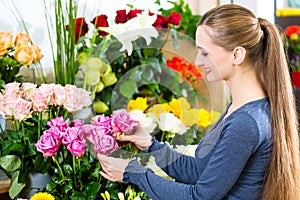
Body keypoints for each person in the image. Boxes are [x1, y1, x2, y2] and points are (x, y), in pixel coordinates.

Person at [97, 4, 300, 200]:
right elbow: (199, 171)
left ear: (237, 55)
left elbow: (201, 196)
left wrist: (134, 174)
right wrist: (150, 145)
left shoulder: (246, 122)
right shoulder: (241, 107)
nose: (198, 61)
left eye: (205, 52)